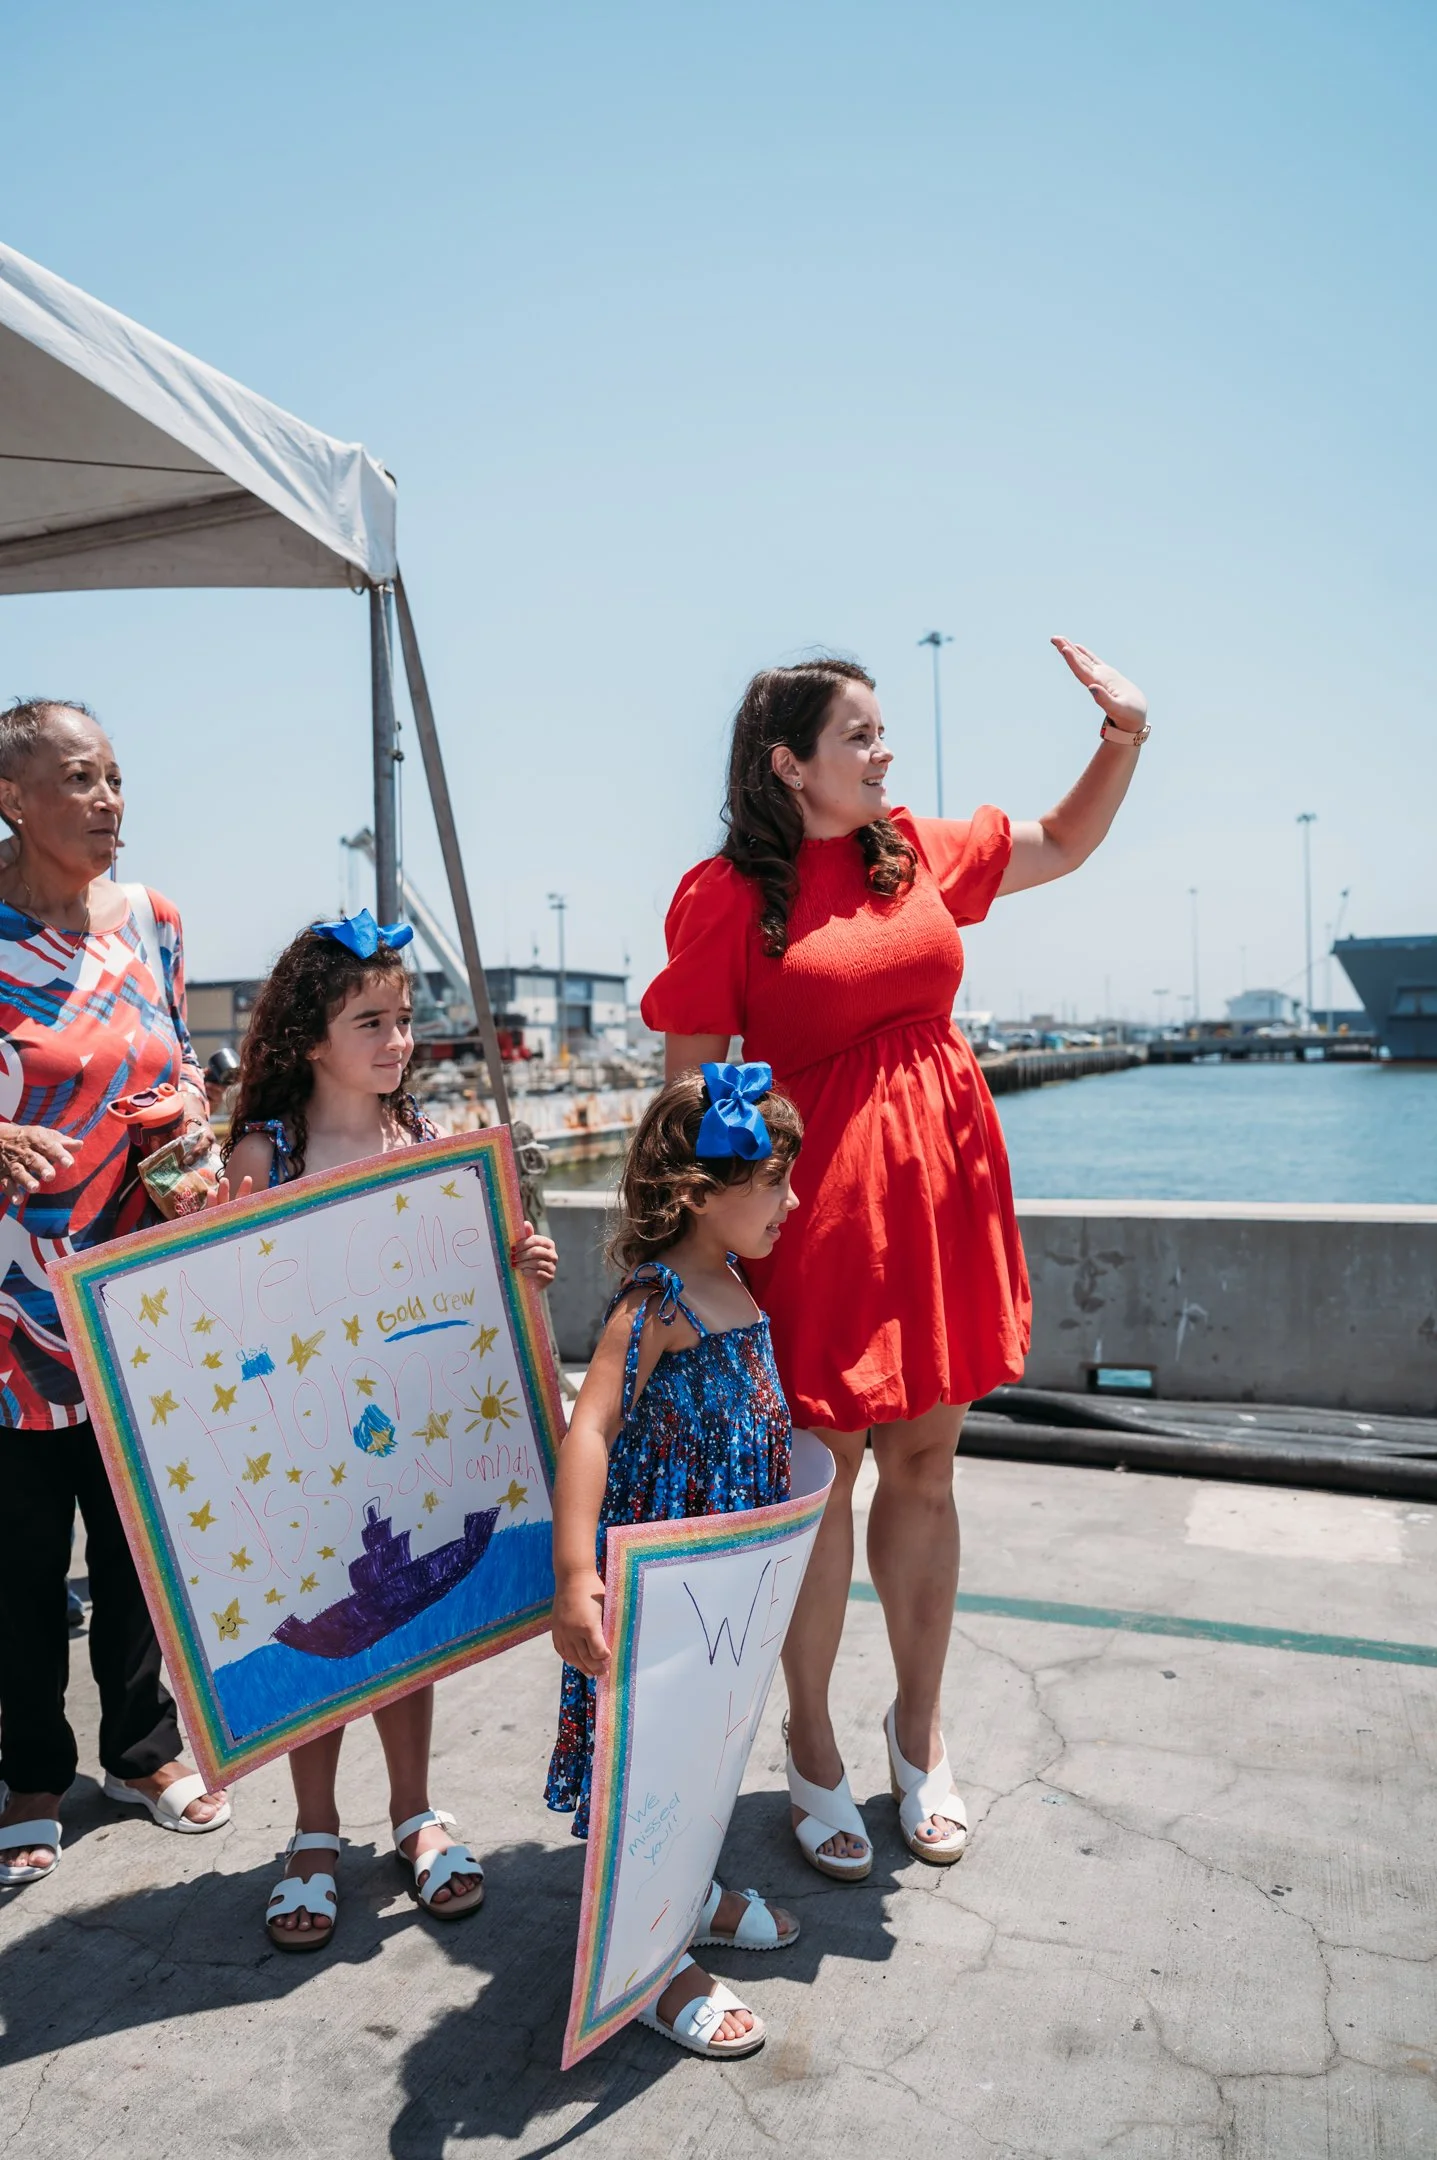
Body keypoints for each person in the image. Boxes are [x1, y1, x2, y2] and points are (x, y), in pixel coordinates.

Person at [641, 639, 1150, 1875]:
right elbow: (691, 1090)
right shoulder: (726, 895)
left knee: (928, 1463)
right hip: (813, 1218)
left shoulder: (911, 850)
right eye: (858, 736)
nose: (884, 752)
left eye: (881, 734)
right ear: (788, 764)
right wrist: (697, 1255)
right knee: (825, 1477)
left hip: (940, 1205)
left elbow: (1063, 844)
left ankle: (918, 1737)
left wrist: (1121, 738)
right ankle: (810, 1745)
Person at [217, 910, 557, 1950]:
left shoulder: (430, 1147)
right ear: (310, 1039)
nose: (398, 1040)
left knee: (407, 1634)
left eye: (405, 1018)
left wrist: (520, 1266)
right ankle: (313, 1833)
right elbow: (224, 1296)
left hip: (404, 1435)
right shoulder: (264, 1152)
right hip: (297, 1443)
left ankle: (414, 1810)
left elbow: (459, 1288)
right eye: (372, 1020)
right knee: (320, 1633)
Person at [0, 697, 231, 1887]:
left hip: (137, 1285)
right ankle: (30, 1771)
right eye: (79, 780)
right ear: (13, 797)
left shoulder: (154, 921)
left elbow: (182, 1061)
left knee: (140, 1538)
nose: (107, 803)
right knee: (22, 1556)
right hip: (11, 1317)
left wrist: (190, 1132)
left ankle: (144, 1749)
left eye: (116, 778)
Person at [546, 1063, 804, 2061]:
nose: (794, 1200)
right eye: (776, 1182)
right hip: (660, 1593)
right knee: (651, 1765)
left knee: (706, 1756)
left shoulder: (732, 1283)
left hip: (722, 1595)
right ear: (703, 1194)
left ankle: (686, 1894)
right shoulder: (656, 1303)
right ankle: (647, 1968)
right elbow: (591, 1431)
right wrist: (578, 1577)